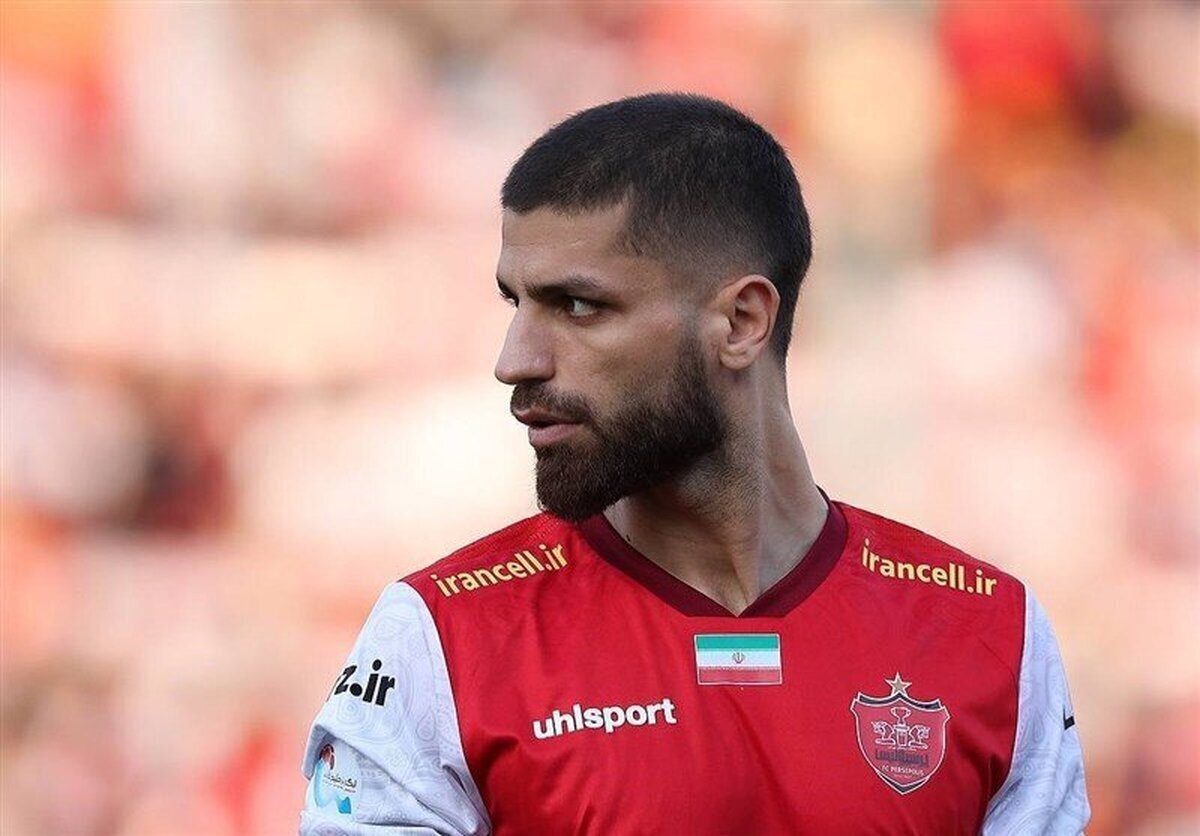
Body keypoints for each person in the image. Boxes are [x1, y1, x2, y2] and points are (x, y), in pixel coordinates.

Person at [300, 93, 1089, 835]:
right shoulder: (438, 641)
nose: (516, 361)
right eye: (517, 302)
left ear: (742, 322)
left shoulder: (994, 636)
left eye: (578, 306)